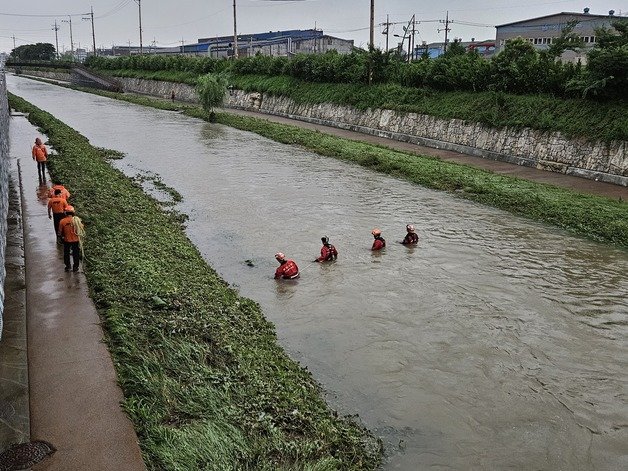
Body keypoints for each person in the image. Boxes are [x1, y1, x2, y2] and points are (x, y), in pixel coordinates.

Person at [57, 205, 84, 272]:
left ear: (65, 213)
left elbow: (60, 232)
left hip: (66, 240)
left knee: (66, 253)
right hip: (76, 240)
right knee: (76, 254)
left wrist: (60, 238)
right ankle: (75, 267)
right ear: (73, 212)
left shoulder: (62, 221)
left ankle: (68, 266)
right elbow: (81, 228)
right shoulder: (77, 220)